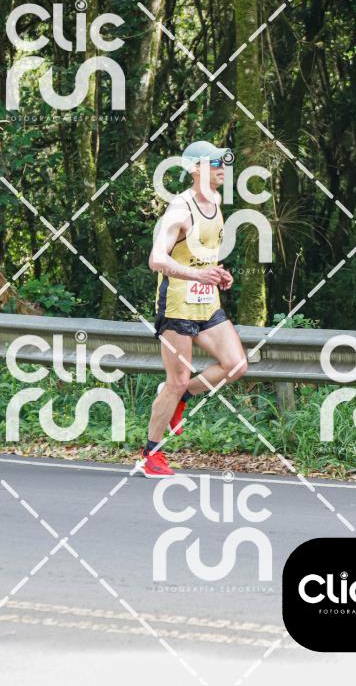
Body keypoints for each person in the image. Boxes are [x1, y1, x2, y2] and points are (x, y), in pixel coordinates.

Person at [142, 140, 248, 477]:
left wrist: (217, 273)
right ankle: (151, 454)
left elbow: (201, 255)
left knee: (236, 365)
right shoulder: (180, 209)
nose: (221, 169)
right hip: (177, 305)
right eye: (214, 163)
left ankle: (182, 395)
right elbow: (156, 259)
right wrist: (197, 275)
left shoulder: (215, 201)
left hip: (207, 302)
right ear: (194, 170)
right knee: (176, 381)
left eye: (222, 163)